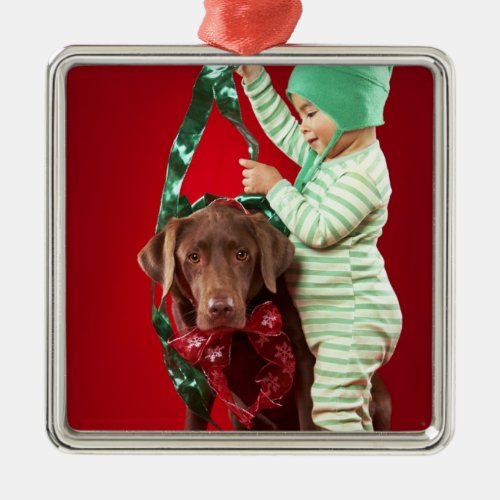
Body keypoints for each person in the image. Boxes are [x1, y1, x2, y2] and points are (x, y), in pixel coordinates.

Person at [237, 65, 402, 431]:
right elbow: (282, 129)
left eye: (311, 113)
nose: (302, 126)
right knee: (344, 409)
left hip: (355, 317)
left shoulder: (362, 175)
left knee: (335, 412)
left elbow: (320, 229)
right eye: (300, 114)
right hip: (332, 318)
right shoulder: (330, 157)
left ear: (351, 109)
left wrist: (276, 186)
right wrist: (254, 78)